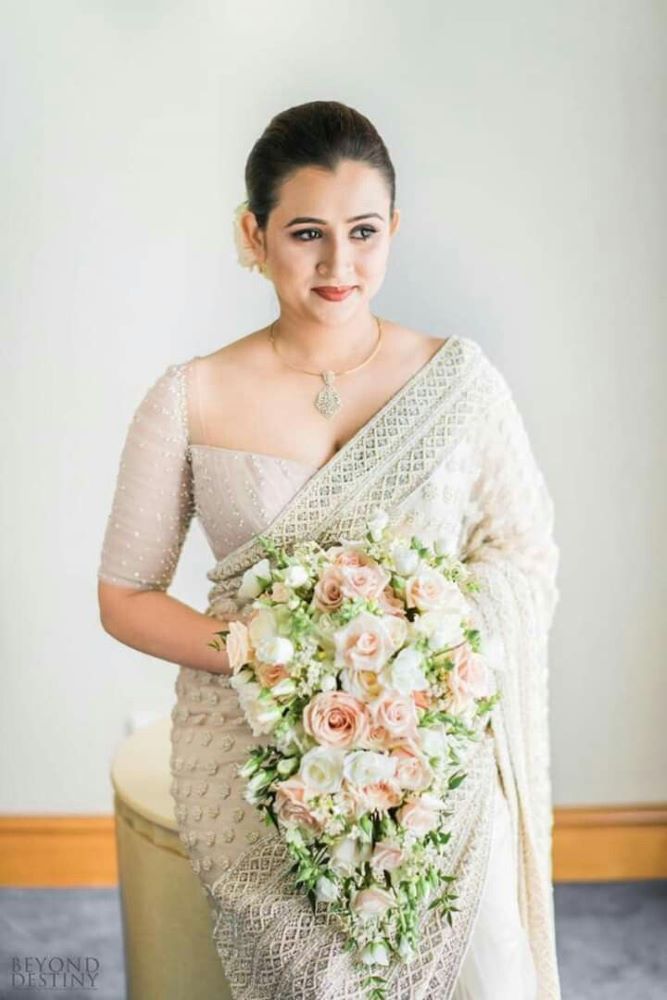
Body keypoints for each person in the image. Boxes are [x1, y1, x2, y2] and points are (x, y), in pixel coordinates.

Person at [97, 100, 561, 999]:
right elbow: (124, 593)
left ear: (393, 229)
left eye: (362, 231)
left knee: (485, 964)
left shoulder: (455, 380)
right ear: (253, 233)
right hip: (257, 739)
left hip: (432, 742)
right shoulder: (189, 397)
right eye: (307, 233)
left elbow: (522, 553)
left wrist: (412, 656)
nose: (338, 264)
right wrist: (261, 657)